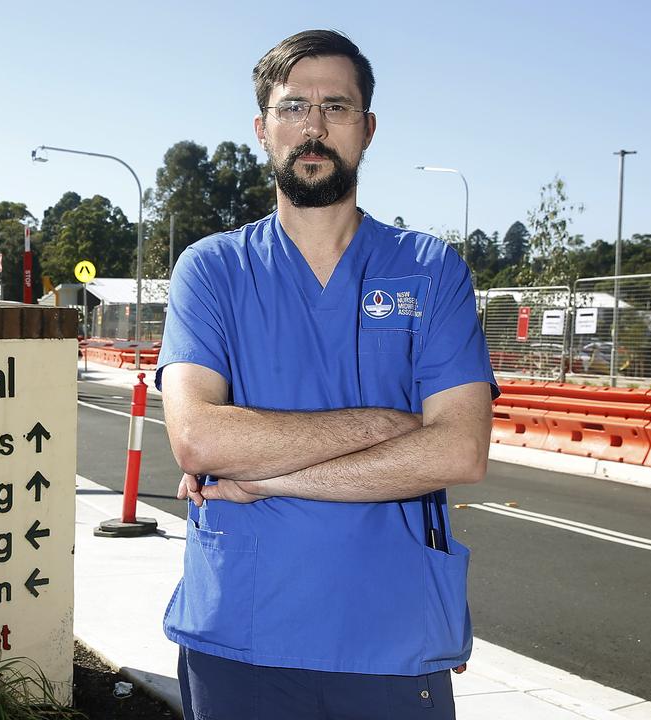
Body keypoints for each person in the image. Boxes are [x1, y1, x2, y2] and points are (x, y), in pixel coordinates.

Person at [156, 30, 498, 720]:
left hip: (393, 637)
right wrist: (383, 425)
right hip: (240, 633)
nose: (313, 127)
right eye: (293, 108)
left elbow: (459, 450)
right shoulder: (212, 269)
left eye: (336, 108)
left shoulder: (430, 270)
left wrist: (268, 477)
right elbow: (196, 440)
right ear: (262, 129)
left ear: (367, 129)